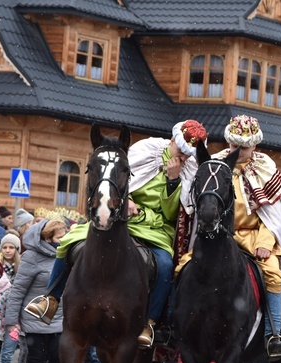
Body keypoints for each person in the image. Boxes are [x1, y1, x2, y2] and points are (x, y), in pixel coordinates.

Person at [25, 120, 208, 350]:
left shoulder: (187, 172)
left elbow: (172, 214)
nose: (182, 157)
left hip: (154, 228)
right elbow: (113, 180)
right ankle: (50, 298)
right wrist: (125, 201)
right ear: (173, 141)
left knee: (164, 265)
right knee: (71, 240)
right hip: (117, 216)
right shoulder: (144, 152)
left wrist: (172, 181)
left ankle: (150, 323)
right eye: (181, 151)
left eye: (187, 155)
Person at [211, 114, 281, 358]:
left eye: (243, 147)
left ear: (254, 145)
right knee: (188, 264)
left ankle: (273, 333)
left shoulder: (266, 167)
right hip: (222, 234)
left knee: (273, 273)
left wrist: (265, 244)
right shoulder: (216, 163)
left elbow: (275, 216)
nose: (237, 151)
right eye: (233, 146)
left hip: (257, 235)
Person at [5, 218, 66, 363]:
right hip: (35, 315)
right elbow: (18, 289)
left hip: (59, 315)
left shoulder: (67, 254)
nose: (64, 237)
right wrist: (11, 320)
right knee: (36, 359)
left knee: (57, 358)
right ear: (48, 238)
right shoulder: (31, 256)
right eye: (60, 235)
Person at [0, 232, 22, 363]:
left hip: (14, 319)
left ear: (17, 249)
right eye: (5, 247)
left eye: (11, 247)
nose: (7, 250)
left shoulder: (22, 269)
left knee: (7, 355)